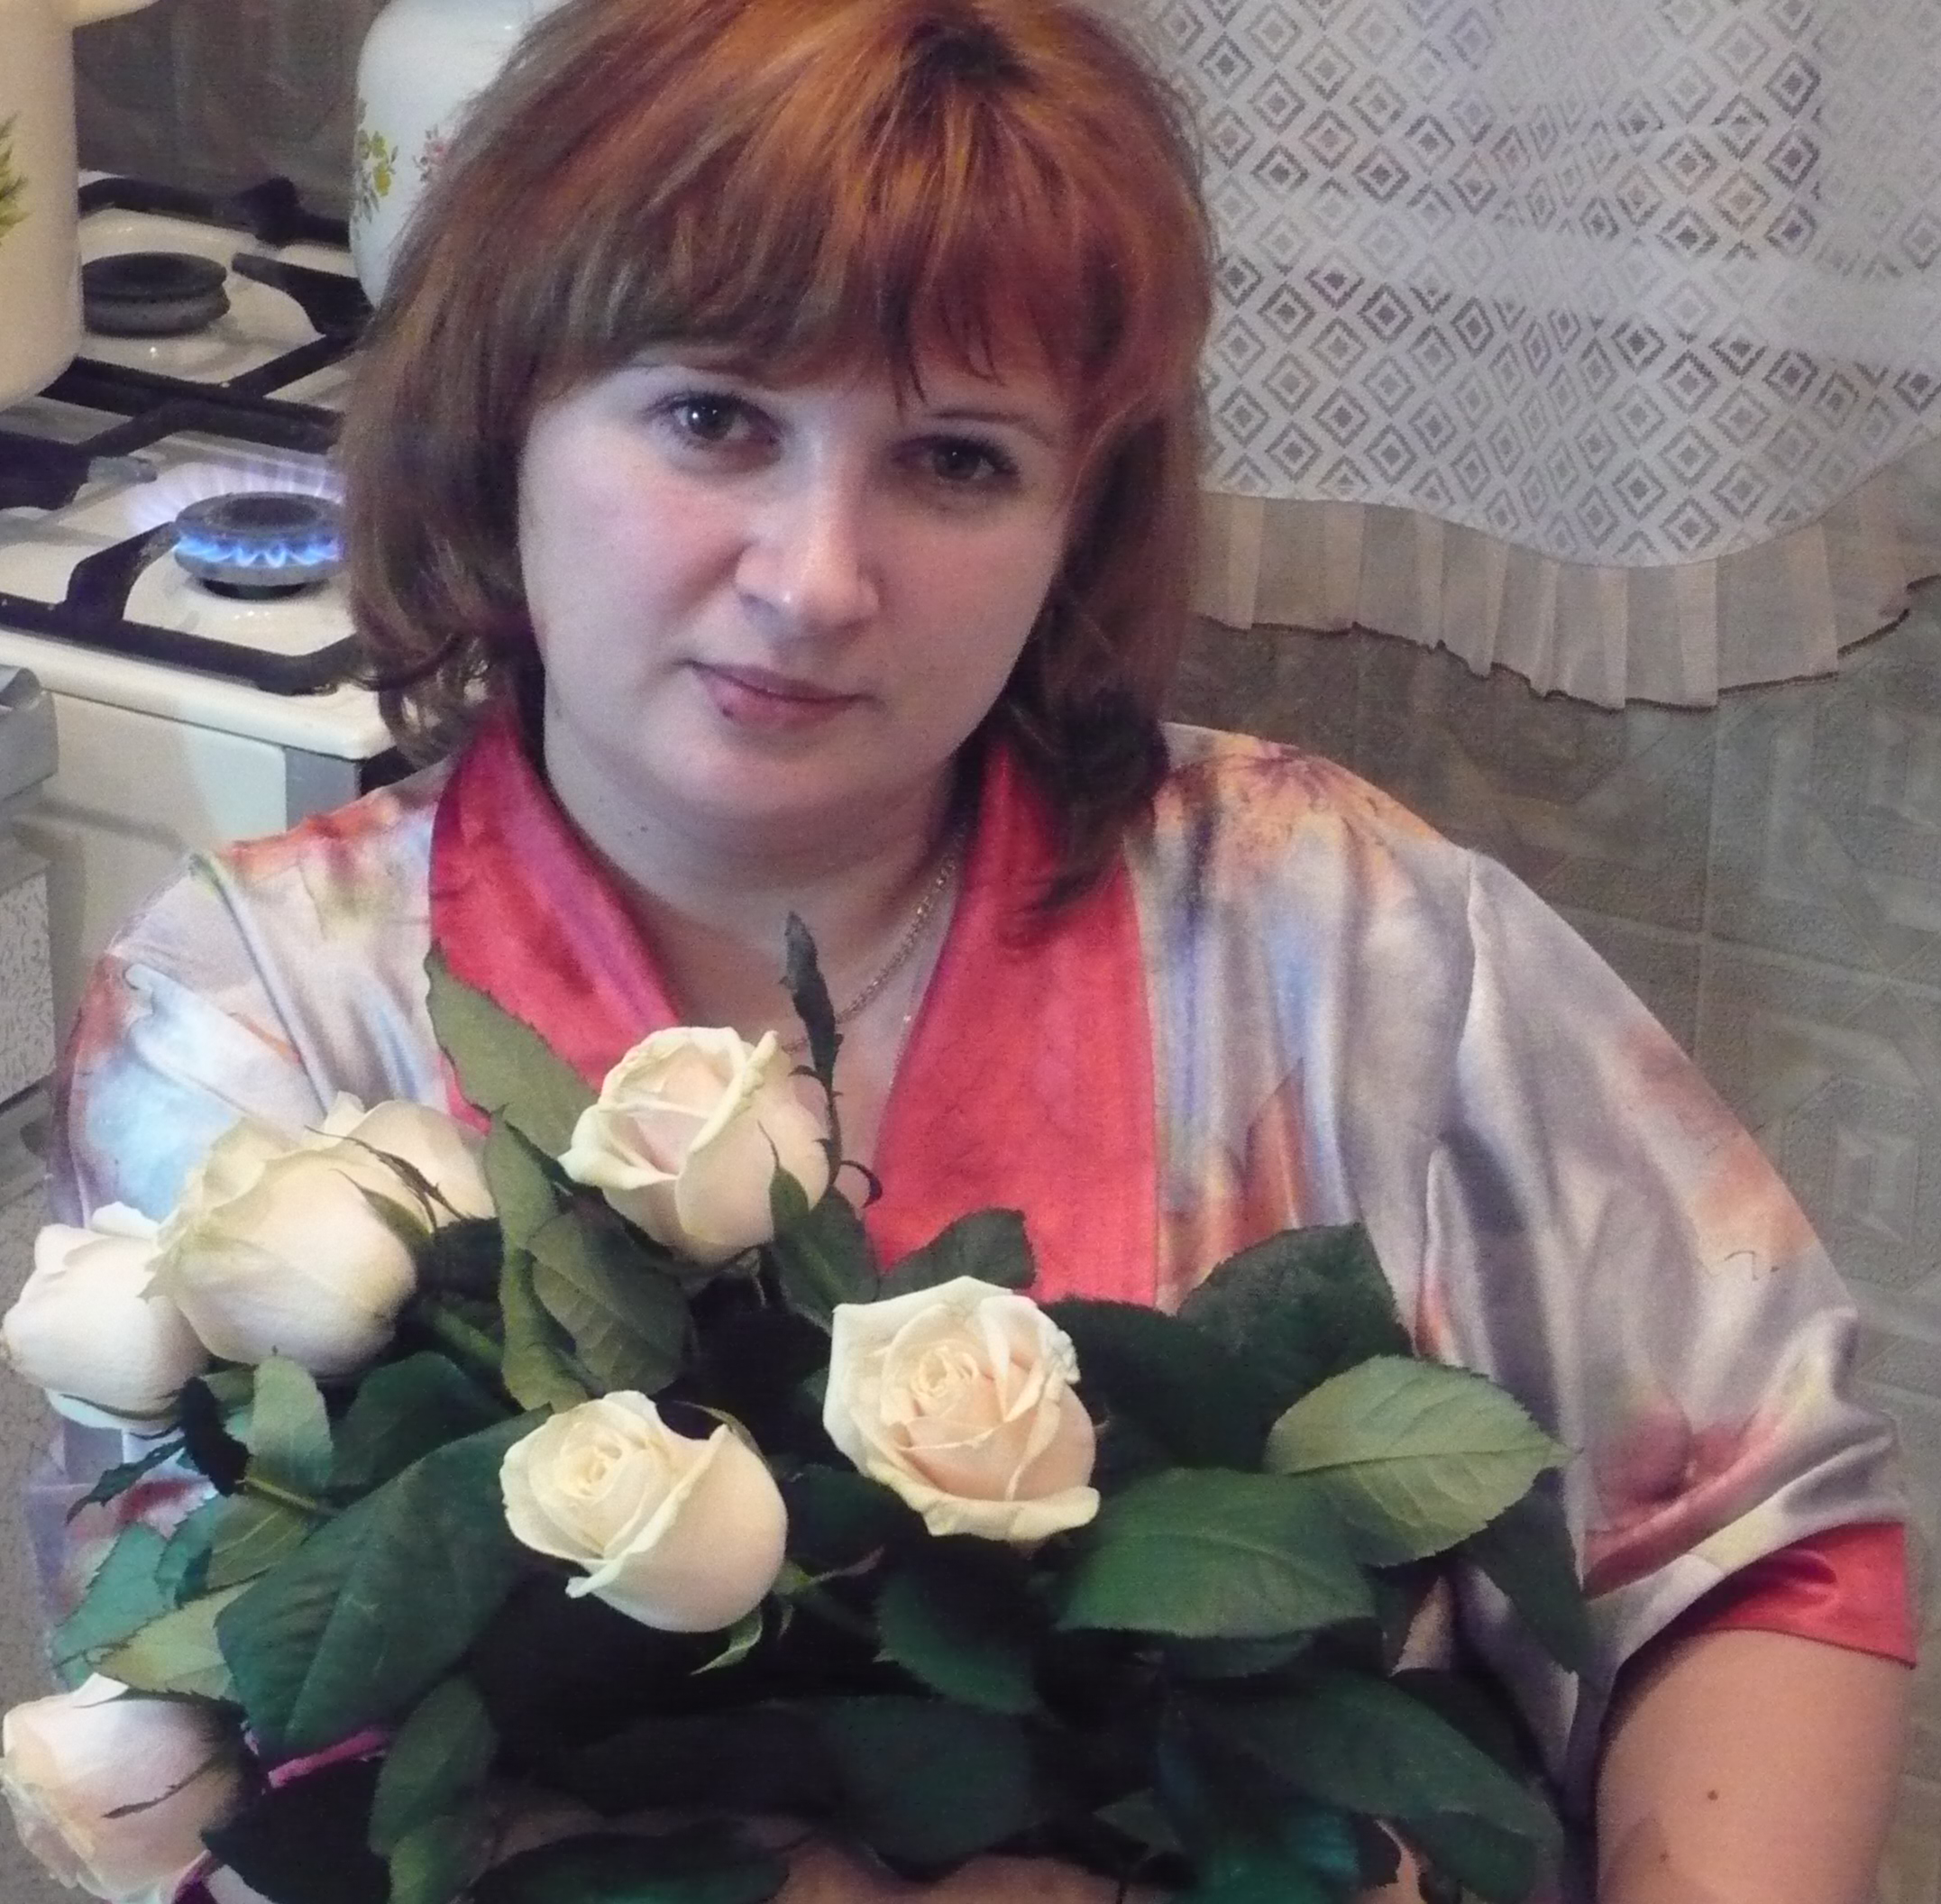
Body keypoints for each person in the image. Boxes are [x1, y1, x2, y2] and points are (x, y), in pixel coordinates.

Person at [46, 0, 1913, 1897]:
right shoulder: (261, 1016)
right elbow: (224, 1759)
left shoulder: (1333, 927)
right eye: (714, 418)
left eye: (953, 461)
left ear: (1079, 516)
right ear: (502, 408)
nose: (814, 580)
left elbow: (1754, 1545)